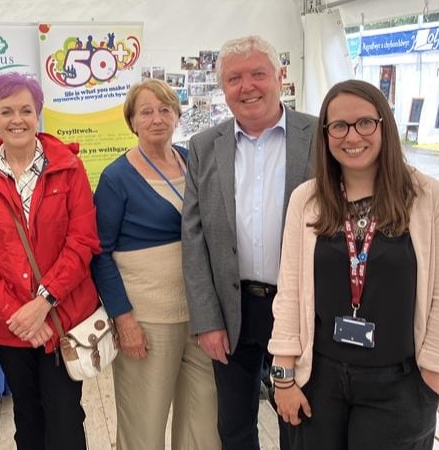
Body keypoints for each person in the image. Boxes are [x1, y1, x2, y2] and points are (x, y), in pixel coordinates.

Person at [268, 79, 439, 450]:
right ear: (326, 135)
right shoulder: (307, 200)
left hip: (400, 386)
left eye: (364, 123)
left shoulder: (431, 200)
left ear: (383, 125)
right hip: (319, 383)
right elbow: (290, 293)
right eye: (338, 126)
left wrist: (431, 381)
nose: (351, 136)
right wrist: (282, 378)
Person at [181, 35, 316, 450]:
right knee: (235, 426)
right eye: (234, 78)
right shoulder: (204, 147)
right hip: (232, 308)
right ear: (223, 87)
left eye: (258, 73)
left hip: (299, 307)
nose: (247, 86)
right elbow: (194, 235)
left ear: (280, 76)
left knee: (300, 420)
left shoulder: (318, 136)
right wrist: (206, 319)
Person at [0, 72, 100, 450]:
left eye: (25, 110)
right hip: (10, 326)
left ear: (38, 114)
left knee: (66, 416)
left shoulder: (69, 168)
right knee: (28, 418)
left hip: (61, 319)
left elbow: (82, 241)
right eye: (6, 111)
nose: (16, 119)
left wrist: (43, 302)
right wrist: (18, 314)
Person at [91, 78, 220, 450]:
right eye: (146, 112)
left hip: (200, 317)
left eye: (165, 110)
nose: (157, 119)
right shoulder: (116, 178)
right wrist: (123, 319)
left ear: (177, 115)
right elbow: (100, 253)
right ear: (132, 121)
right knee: (143, 428)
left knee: (203, 426)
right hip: (148, 319)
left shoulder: (192, 160)